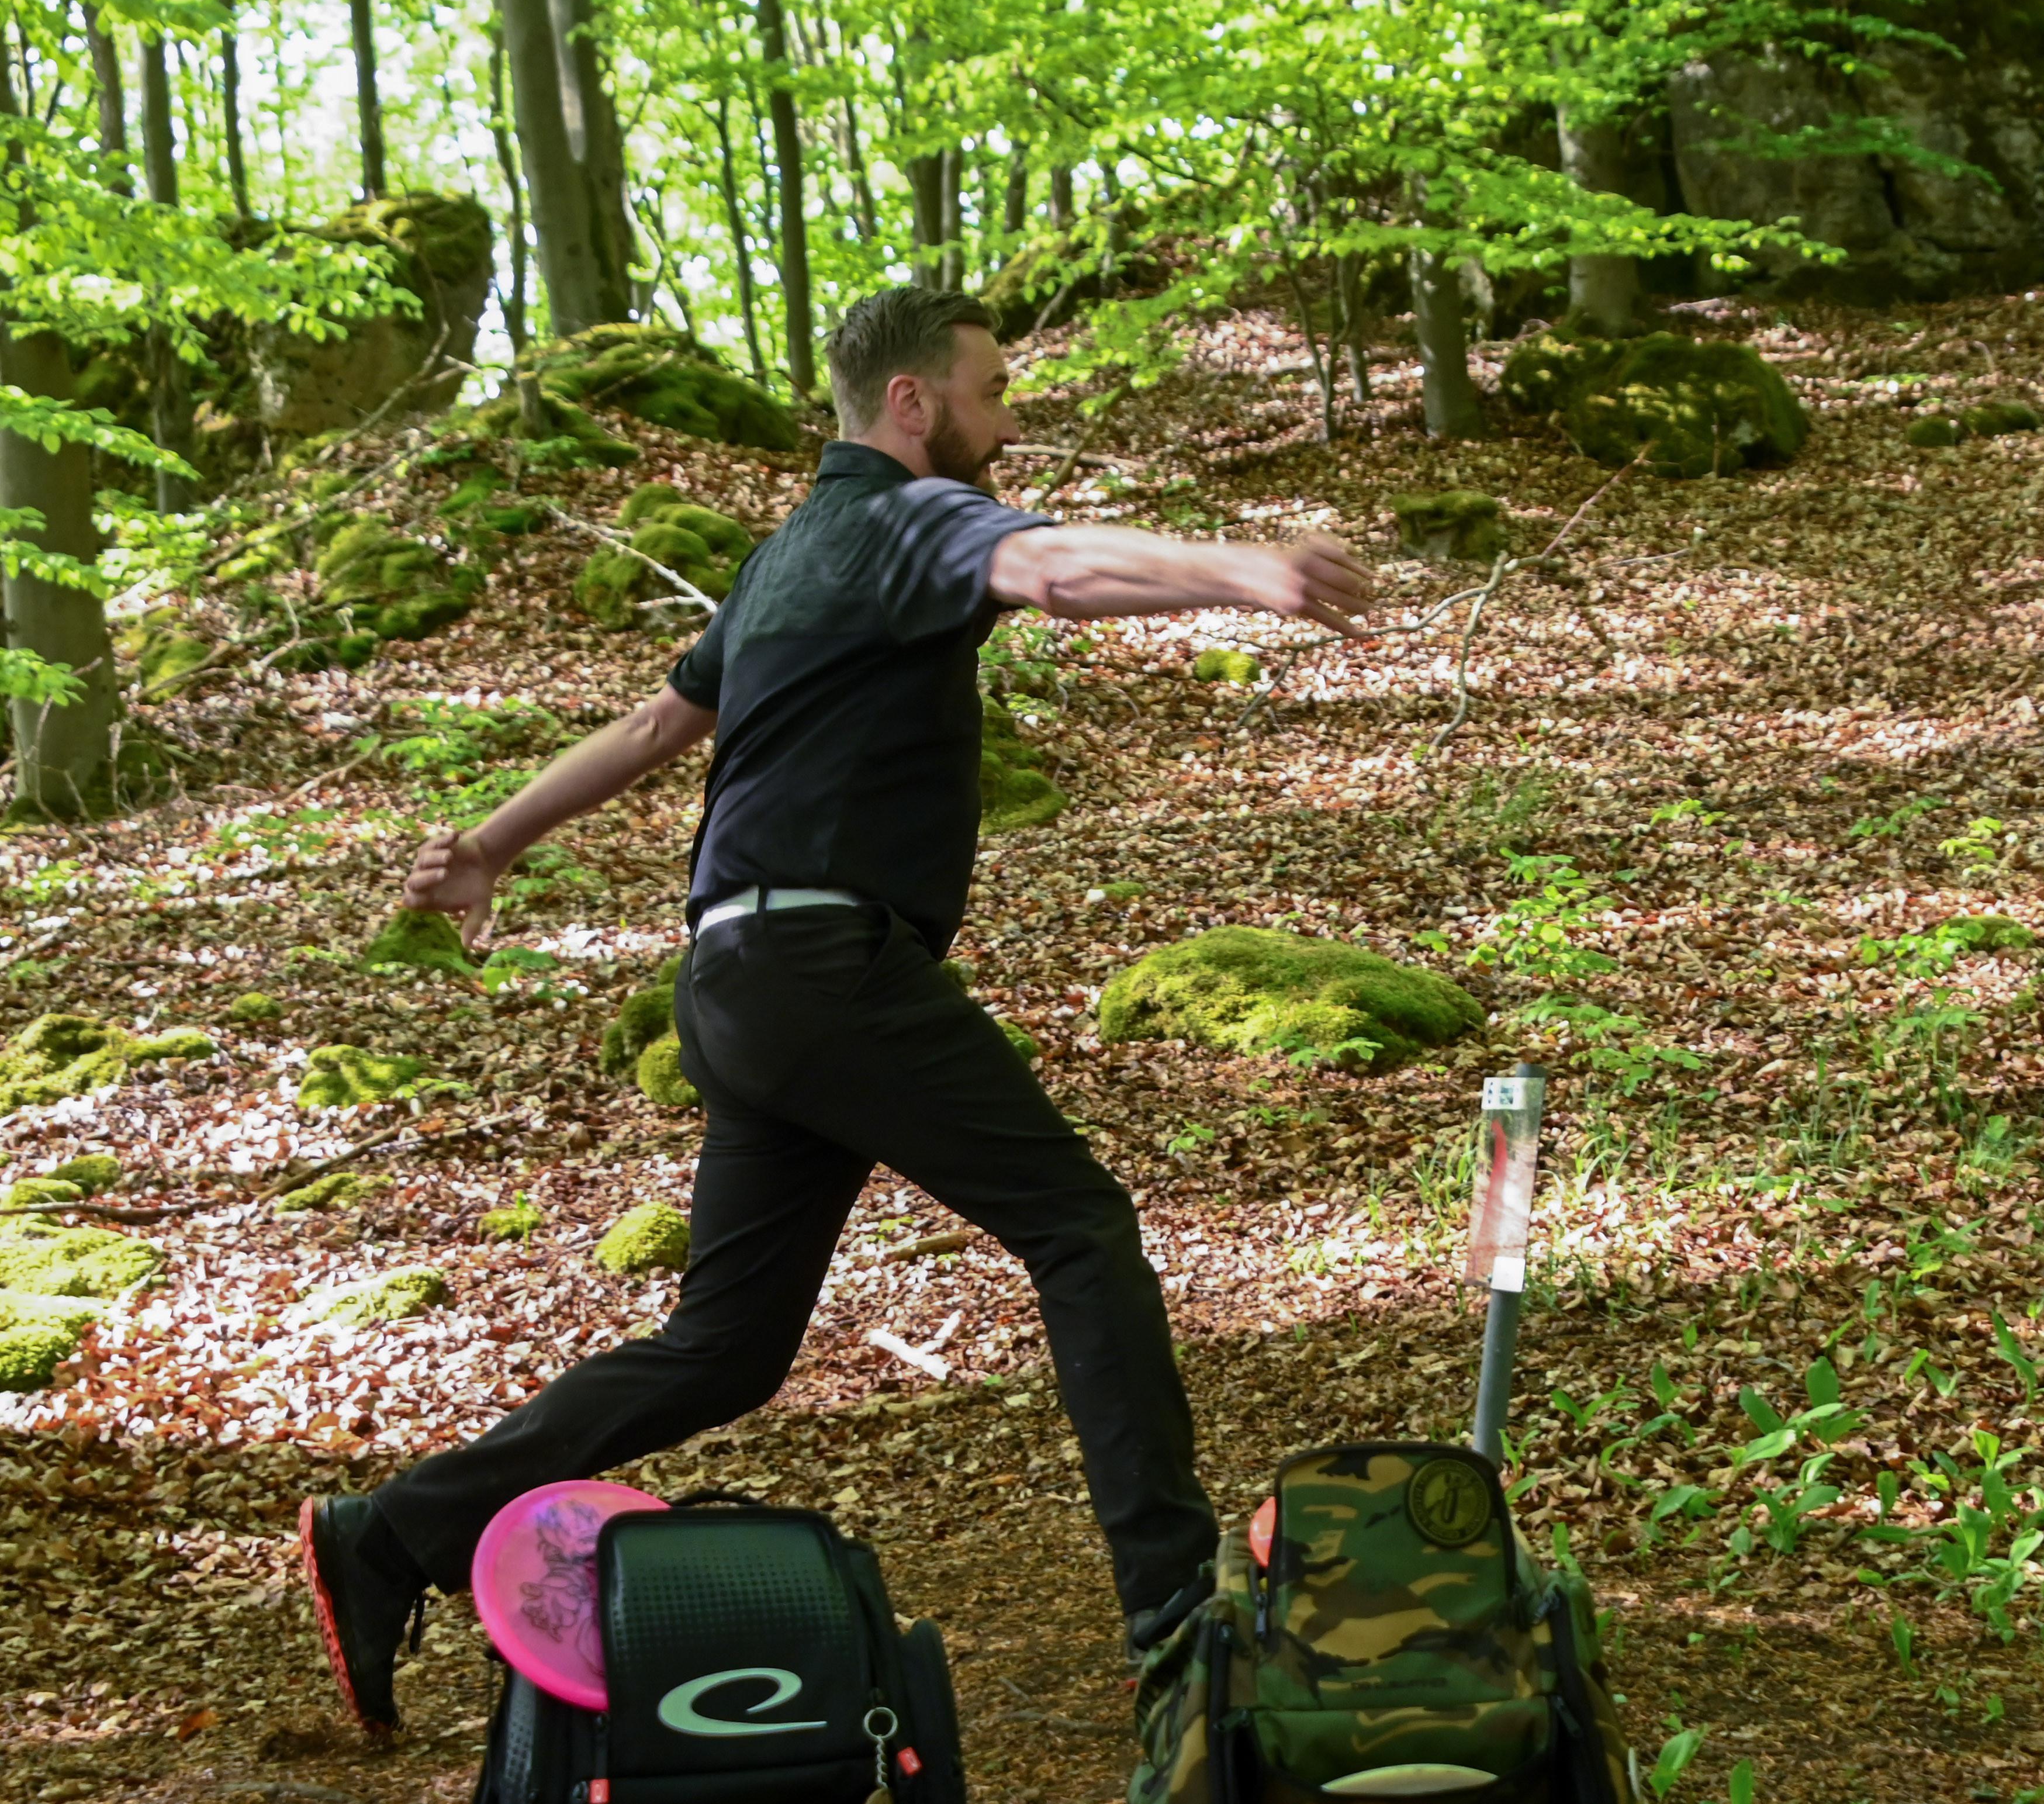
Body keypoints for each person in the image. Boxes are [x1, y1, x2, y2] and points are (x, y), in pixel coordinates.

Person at [298, 286, 1374, 1735]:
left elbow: (654, 726)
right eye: (991, 392)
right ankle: (1177, 1615)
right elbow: (1052, 569)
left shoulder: (785, 555)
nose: (1009, 423)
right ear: (911, 403)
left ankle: (388, 1536)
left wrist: (491, 845)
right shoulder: (907, 520)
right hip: (824, 968)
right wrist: (1245, 570)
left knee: (728, 1347)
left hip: (736, 983)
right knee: (1079, 1228)